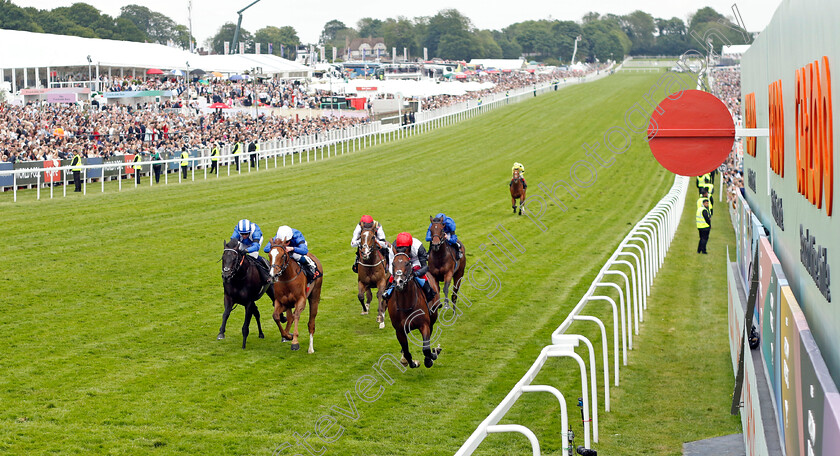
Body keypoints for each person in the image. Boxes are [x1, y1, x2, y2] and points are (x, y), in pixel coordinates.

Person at [382, 232, 437, 304]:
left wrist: (417, 273)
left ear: (410, 246)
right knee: (394, 275)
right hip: (400, 261)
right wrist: (396, 273)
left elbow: (425, 267)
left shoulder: (418, 246)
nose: (402, 250)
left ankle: (429, 291)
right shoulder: (394, 247)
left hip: (415, 260)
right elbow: (391, 266)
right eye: (400, 248)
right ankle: (387, 291)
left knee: (417, 269)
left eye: (405, 248)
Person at [231, 219, 271, 284]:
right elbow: (232, 243)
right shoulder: (237, 231)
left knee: (253, 255)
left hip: (255, 242)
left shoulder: (255, 231)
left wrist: (247, 250)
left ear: (250, 231)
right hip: (243, 242)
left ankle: (266, 270)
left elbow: (256, 246)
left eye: (246, 234)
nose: (244, 236)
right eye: (242, 234)